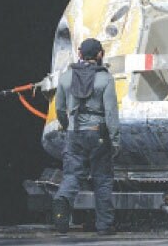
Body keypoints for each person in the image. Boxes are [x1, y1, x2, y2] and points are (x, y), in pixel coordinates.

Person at [51, 38, 120, 234]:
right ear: (100, 54)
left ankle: (63, 198)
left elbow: (59, 109)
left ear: (80, 54)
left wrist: (68, 127)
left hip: (74, 133)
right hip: (98, 133)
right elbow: (111, 113)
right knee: (102, 179)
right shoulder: (106, 79)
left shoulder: (66, 77)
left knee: (72, 175)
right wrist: (115, 140)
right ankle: (104, 225)